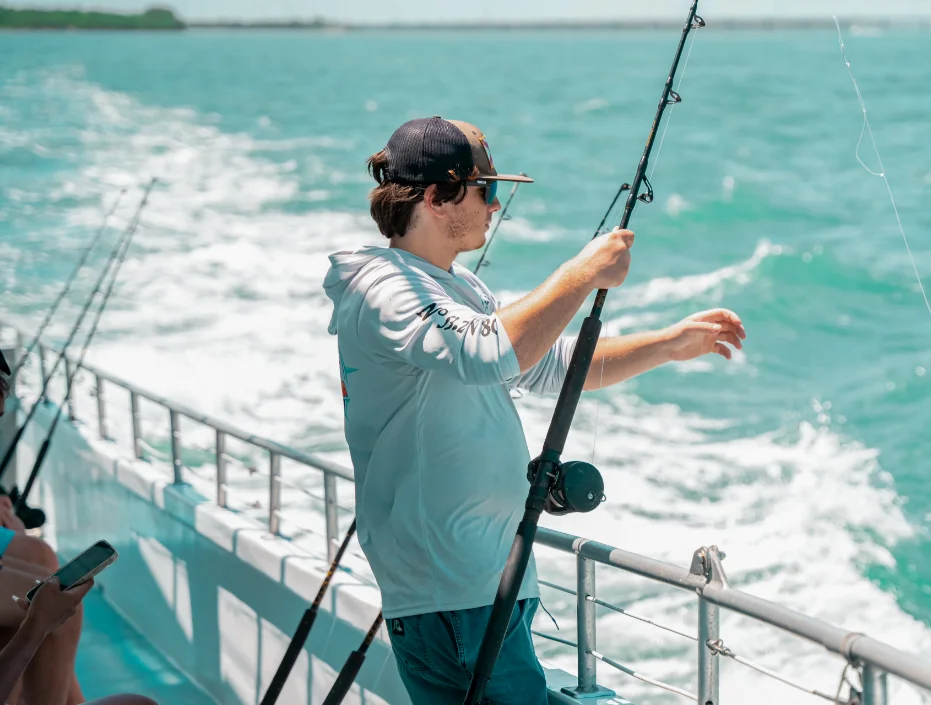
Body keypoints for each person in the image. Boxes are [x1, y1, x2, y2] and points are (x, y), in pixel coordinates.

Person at [323, 117, 747, 704]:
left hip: (483, 585)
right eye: (486, 189)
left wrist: (669, 344)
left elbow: (544, 362)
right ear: (435, 197)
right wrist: (581, 273)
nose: (496, 205)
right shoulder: (387, 289)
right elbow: (492, 349)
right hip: (454, 592)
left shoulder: (456, 287)